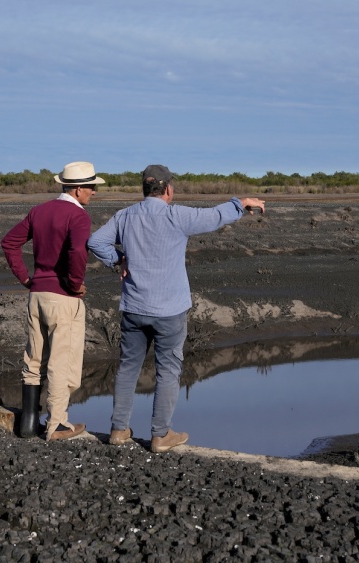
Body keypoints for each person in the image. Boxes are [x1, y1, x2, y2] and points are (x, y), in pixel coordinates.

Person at [87, 164, 265, 453]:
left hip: (134, 307)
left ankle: (118, 430)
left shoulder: (125, 216)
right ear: (168, 189)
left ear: (145, 189)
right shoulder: (177, 215)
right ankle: (160, 435)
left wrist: (118, 260)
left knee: (128, 367)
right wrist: (241, 203)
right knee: (168, 370)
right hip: (169, 311)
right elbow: (214, 216)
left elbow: (95, 241)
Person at [1, 161, 104, 441]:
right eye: (91, 187)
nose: (94, 192)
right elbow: (77, 252)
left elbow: (9, 242)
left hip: (37, 295)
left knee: (33, 359)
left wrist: (25, 279)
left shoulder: (40, 210)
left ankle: (28, 424)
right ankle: (56, 424)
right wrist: (74, 284)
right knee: (62, 361)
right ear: (78, 189)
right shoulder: (79, 216)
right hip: (63, 298)